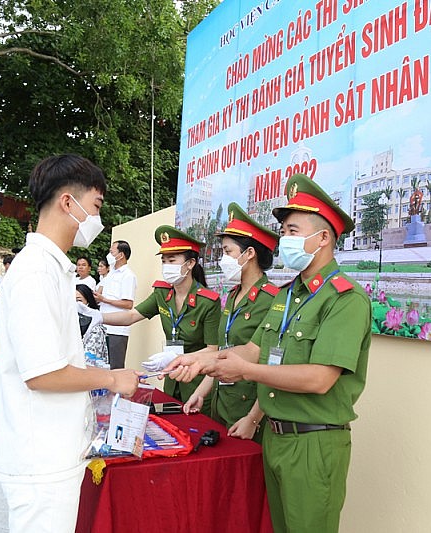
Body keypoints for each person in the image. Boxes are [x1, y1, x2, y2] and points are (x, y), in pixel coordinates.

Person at [166, 174, 372, 533]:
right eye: (284, 232)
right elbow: (254, 348)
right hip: (276, 437)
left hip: (313, 443)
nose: (284, 240)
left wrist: (247, 372)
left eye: (293, 231)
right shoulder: (289, 295)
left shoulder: (345, 298)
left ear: (323, 238)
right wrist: (203, 361)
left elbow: (319, 378)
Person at [0, 154, 139, 532]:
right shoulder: (35, 272)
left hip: (53, 448)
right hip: (41, 456)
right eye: (96, 206)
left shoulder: (53, 268)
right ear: (67, 203)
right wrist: (111, 379)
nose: (97, 220)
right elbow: (42, 374)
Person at [83, 226, 221, 415]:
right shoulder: (162, 293)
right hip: (172, 379)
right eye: (164, 261)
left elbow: (213, 350)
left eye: (172, 260)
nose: (166, 266)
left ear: (190, 264)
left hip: (198, 381)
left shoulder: (208, 301)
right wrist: (97, 317)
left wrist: (177, 358)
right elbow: (131, 316)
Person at [182, 203, 279, 442]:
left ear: (249, 254)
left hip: (246, 410)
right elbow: (222, 352)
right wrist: (201, 392)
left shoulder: (272, 300)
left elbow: (274, 367)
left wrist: (254, 418)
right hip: (220, 403)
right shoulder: (233, 296)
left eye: (228, 251)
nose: (223, 258)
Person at [95, 240, 137, 369]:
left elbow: (128, 304)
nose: (109, 254)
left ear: (121, 255)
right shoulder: (110, 274)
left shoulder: (128, 276)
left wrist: (104, 299)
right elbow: (100, 294)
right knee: (101, 365)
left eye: (112, 251)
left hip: (117, 329)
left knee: (115, 367)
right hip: (103, 327)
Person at [75, 284, 108, 366]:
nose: (75, 305)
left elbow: (90, 360)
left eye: (79, 301)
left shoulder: (95, 329)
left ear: (88, 302)